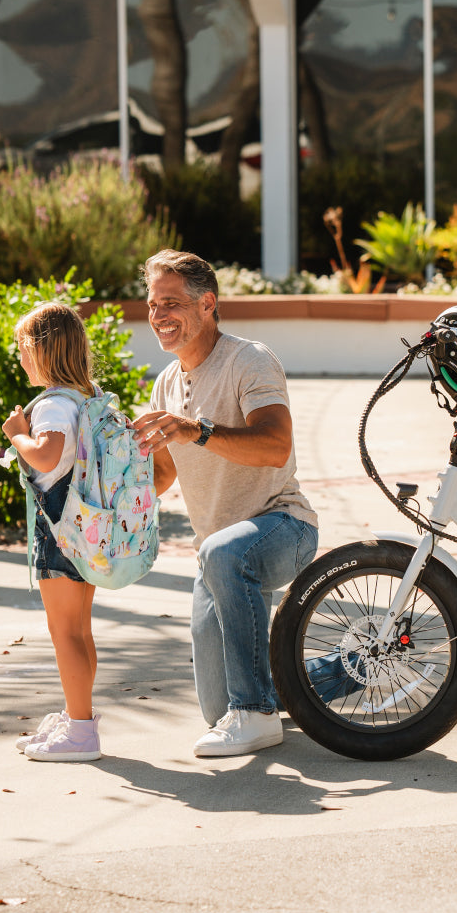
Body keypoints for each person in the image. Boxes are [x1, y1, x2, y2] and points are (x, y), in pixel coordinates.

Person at [132, 250, 319, 757]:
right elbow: (167, 471)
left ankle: (257, 716)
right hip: (217, 557)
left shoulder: (249, 360)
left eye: (170, 303)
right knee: (218, 708)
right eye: (152, 305)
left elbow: (275, 444)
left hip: (281, 527)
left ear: (207, 303)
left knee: (223, 554)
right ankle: (355, 666)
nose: (158, 316)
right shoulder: (166, 383)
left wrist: (197, 430)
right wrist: (108, 495)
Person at [3, 302, 103, 762]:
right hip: (83, 530)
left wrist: (16, 434)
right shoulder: (84, 397)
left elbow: (44, 457)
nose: (20, 356)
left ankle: (81, 732)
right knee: (79, 629)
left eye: (24, 348)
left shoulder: (54, 406)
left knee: (64, 632)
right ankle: (76, 715)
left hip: (58, 532)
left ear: (42, 351)